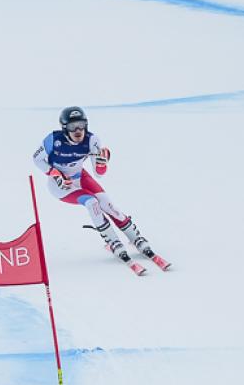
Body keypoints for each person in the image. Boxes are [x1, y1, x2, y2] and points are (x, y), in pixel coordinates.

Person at [33, 106, 164, 269]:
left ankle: (135, 237)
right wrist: (54, 173)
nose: (78, 130)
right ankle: (113, 241)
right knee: (92, 202)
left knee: (107, 204)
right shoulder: (53, 139)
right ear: (64, 128)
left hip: (80, 177)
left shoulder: (92, 140)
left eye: (81, 124)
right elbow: (37, 159)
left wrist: (102, 163)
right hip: (60, 185)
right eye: (73, 126)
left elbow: (99, 173)